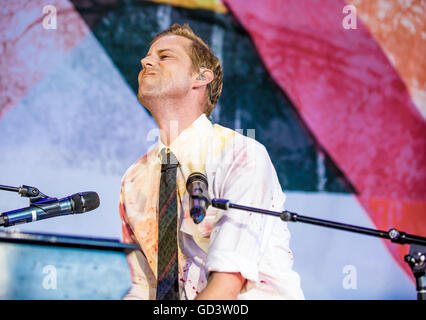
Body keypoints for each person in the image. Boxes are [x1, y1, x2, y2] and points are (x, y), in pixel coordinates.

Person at [119, 23, 304, 300]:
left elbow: (227, 285)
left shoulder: (240, 155)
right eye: (147, 56)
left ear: (201, 77)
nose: (146, 61)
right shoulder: (134, 179)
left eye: (164, 56)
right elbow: (143, 288)